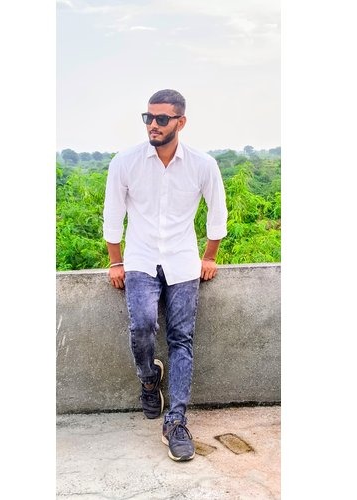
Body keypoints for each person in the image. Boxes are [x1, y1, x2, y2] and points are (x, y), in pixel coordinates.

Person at [102, 89, 228, 462]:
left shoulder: (203, 165)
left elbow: (217, 213)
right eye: (148, 118)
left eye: (161, 119)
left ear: (180, 122)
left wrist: (209, 256)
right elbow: (113, 215)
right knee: (141, 326)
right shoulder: (125, 162)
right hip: (140, 259)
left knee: (181, 339)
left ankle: (176, 422)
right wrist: (115, 262)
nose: (152, 125)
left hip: (183, 261)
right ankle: (148, 378)